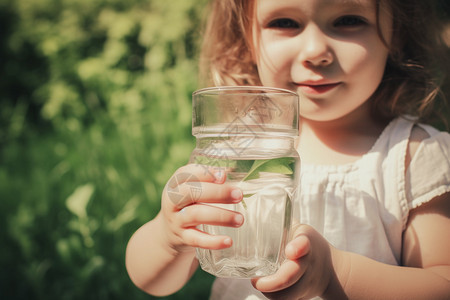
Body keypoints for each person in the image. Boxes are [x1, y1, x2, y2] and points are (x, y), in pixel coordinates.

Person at [125, 0, 450, 299]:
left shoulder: (412, 155)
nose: (315, 50)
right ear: (246, 37)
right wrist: (169, 237)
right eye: (285, 22)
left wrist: (337, 274)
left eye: (349, 20)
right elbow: (153, 282)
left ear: (394, 34)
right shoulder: (234, 147)